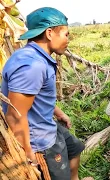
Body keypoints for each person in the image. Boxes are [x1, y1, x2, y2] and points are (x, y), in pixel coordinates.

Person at [1, 7, 84, 180]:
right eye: (66, 34)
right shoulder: (32, 65)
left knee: (75, 148)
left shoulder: (38, 58)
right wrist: (29, 152)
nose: (68, 40)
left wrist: (58, 112)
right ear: (49, 33)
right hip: (39, 140)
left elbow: (36, 95)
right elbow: (15, 116)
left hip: (47, 125)